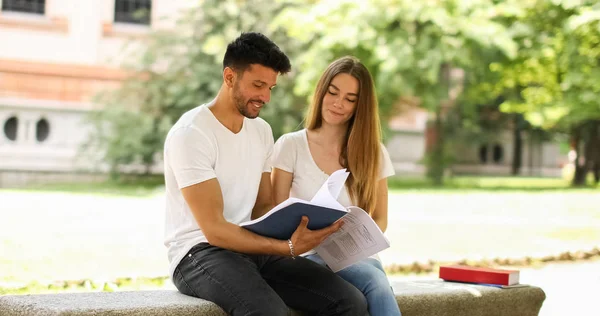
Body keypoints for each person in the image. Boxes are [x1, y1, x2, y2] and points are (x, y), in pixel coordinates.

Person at [162, 33, 368, 316]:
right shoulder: (192, 135)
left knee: (350, 301)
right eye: (258, 85)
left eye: (271, 87)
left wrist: (304, 226)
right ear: (229, 76)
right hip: (198, 253)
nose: (265, 97)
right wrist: (287, 247)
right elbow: (215, 229)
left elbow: (262, 207)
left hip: (251, 246)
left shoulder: (261, 131)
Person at [271, 56, 401, 316]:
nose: (338, 104)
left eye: (350, 99)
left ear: (359, 106)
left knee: (372, 273)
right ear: (321, 92)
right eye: (333, 92)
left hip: (355, 256)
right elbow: (275, 214)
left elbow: (380, 219)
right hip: (307, 256)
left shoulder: (374, 153)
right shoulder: (291, 145)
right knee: (375, 279)